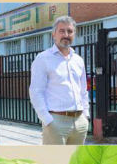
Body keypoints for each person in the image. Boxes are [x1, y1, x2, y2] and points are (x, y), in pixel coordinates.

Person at [29, 16, 90, 145]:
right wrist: (47, 120)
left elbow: (83, 91)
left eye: (70, 31)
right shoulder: (43, 59)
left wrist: (86, 116)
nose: (66, 35)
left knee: (76, 158)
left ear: (74, 34)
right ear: (54, 35)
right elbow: (36, 92)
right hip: (56, 122)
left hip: (80, 123)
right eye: (62, 31)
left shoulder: (78, 60)